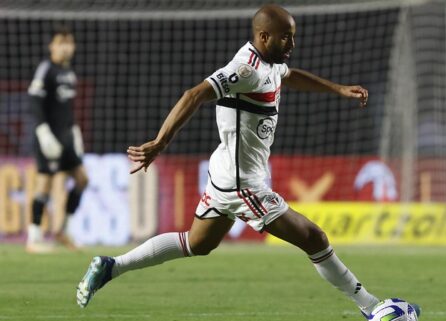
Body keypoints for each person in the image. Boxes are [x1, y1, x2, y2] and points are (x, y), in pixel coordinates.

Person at [76, 4, 420, 319]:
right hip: (243, 185)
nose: (292, 43)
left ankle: (111, 266)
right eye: (286, 37)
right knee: (315, 238)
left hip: (225, 174)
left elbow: (289, 74)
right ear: (263, 36)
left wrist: (338, 89)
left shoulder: (269, 64)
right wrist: (160, 142)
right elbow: (193, 94)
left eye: (294, 37)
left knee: (198, 243)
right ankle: (372, 307)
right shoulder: (245, 70)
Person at [26, 27, 88, 253]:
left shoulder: (69, 73)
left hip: (67, 136)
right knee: (44, 184)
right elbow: (34, 100)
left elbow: (67, 109)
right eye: (61, 42)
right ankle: (33, 239)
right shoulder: (46, 68)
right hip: (48, 137)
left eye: (69, 42)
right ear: (52, 45)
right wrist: (43, 131)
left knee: (82, 179)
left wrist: (75, 132)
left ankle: (63, 231)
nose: (66, 46)